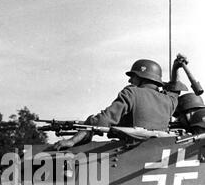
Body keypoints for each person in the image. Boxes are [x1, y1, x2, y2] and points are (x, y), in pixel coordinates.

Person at [54, 54, 187, 150]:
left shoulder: (132, 93)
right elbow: (175, 90)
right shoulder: (169, 101)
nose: (130, 81)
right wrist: (176, 69)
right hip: (157, 151)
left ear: (142, 77)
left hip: (129, 152)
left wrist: (72, 141)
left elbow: (102, 121)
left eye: (133, 77)